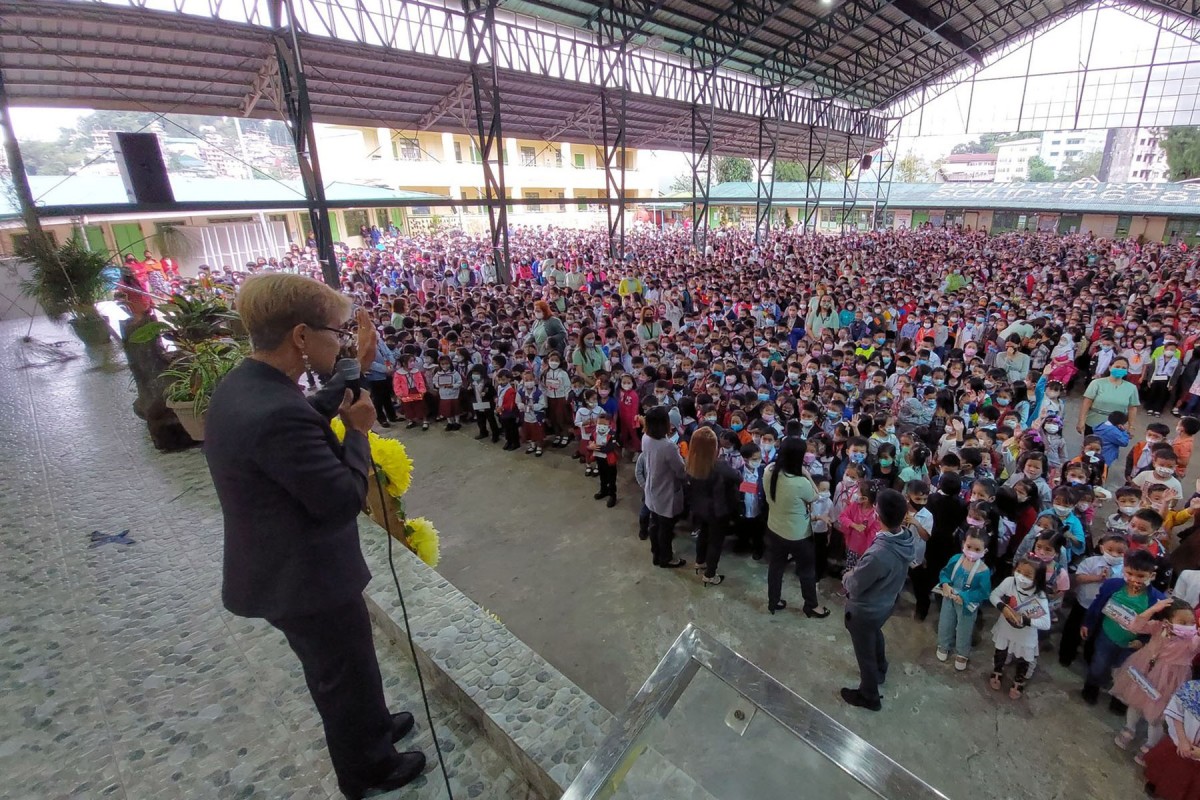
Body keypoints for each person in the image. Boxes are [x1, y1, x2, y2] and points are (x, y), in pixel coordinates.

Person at [204, 274, 425, 798]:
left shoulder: (248, 385)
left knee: (352, 663)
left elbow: (307, 412)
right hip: (302, 578)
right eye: (335, 332)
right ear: (301, 336)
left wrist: (356, 370)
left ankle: (372, 727)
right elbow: (341, 499)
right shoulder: (273, 409)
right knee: (340, 674)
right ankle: (368, 769)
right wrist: (359, 433)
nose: (341, 340)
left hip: (288, 565)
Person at [840, 488, 916, 711]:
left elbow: (855, 583)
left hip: (866, 609)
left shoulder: (879, 554)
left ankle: (869, 695)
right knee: (875, 634)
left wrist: (847, 575)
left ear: (877, 513)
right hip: (886, 602)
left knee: (864, 653)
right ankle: (881, 668)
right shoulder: (905, 538)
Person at [762, 437, 829, 617]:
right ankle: (811, 605)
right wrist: (806, 473)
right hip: (798, 534)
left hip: (774, 527)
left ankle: (773, 601)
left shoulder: (769, 470)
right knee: (807, 570)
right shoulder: (799, 482)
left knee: (776, 566)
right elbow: (816, 496)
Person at [989, 556, 1051, 700]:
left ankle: (1019, 680)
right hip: (1005, 627)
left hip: (1025, 634)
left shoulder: (1039, 596)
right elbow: (994, 595)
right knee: (1000, 650)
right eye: (1019, 571)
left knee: (1023, 658)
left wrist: (1025, 620)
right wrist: (1003, 608)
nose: (1021, 577)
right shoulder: (1010, 582)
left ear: (1037, 578)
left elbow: (1045, 623)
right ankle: (997, 671)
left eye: (1028, 575)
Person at [684, 427, 740, 586]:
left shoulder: (690, 463)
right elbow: (738, 478)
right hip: (717, 510)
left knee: (703, 533)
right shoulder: (719, 466)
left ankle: (700, 561)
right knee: (715, 541)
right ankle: (710, 574)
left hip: (698, 508)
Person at [936, 528, 993, 671]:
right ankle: (944, 645)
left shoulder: (983, 570)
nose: (972, 551)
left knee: (964, 628)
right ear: (963, 544)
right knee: (945, 622)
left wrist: (965, 597)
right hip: (949, 597)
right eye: (969, 547)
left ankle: (962, 652)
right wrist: (945, 584)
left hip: (967, 603)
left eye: (977, 549)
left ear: (984, 551)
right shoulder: (956, 559)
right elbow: (945, 573)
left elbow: (984, 592)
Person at [637, 406, 687, 568]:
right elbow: (680, 470)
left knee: (655, 524)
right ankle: (666, 558)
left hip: (652, 488)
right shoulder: (668, 446)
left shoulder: (646, 437)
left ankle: (656, 554)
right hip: (666, 491)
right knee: (665, 528)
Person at [1142, 681, 1200, 800]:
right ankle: (1157, 784)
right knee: (1166, 771)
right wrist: (1182, 740)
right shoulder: (1193, 688)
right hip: (1179, 744)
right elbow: (1176, 711)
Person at [1078, 356, 1140, 436]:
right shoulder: (1096, 383)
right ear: (1110, 367)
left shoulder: (1131, 388)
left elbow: (1132, 408)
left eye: (1123, 368)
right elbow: (1086, 403)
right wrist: (1081, 421)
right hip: (1094, 424)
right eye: (1117, 367)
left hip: (1116, 427)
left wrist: (1131, 426)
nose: (1120, 369)